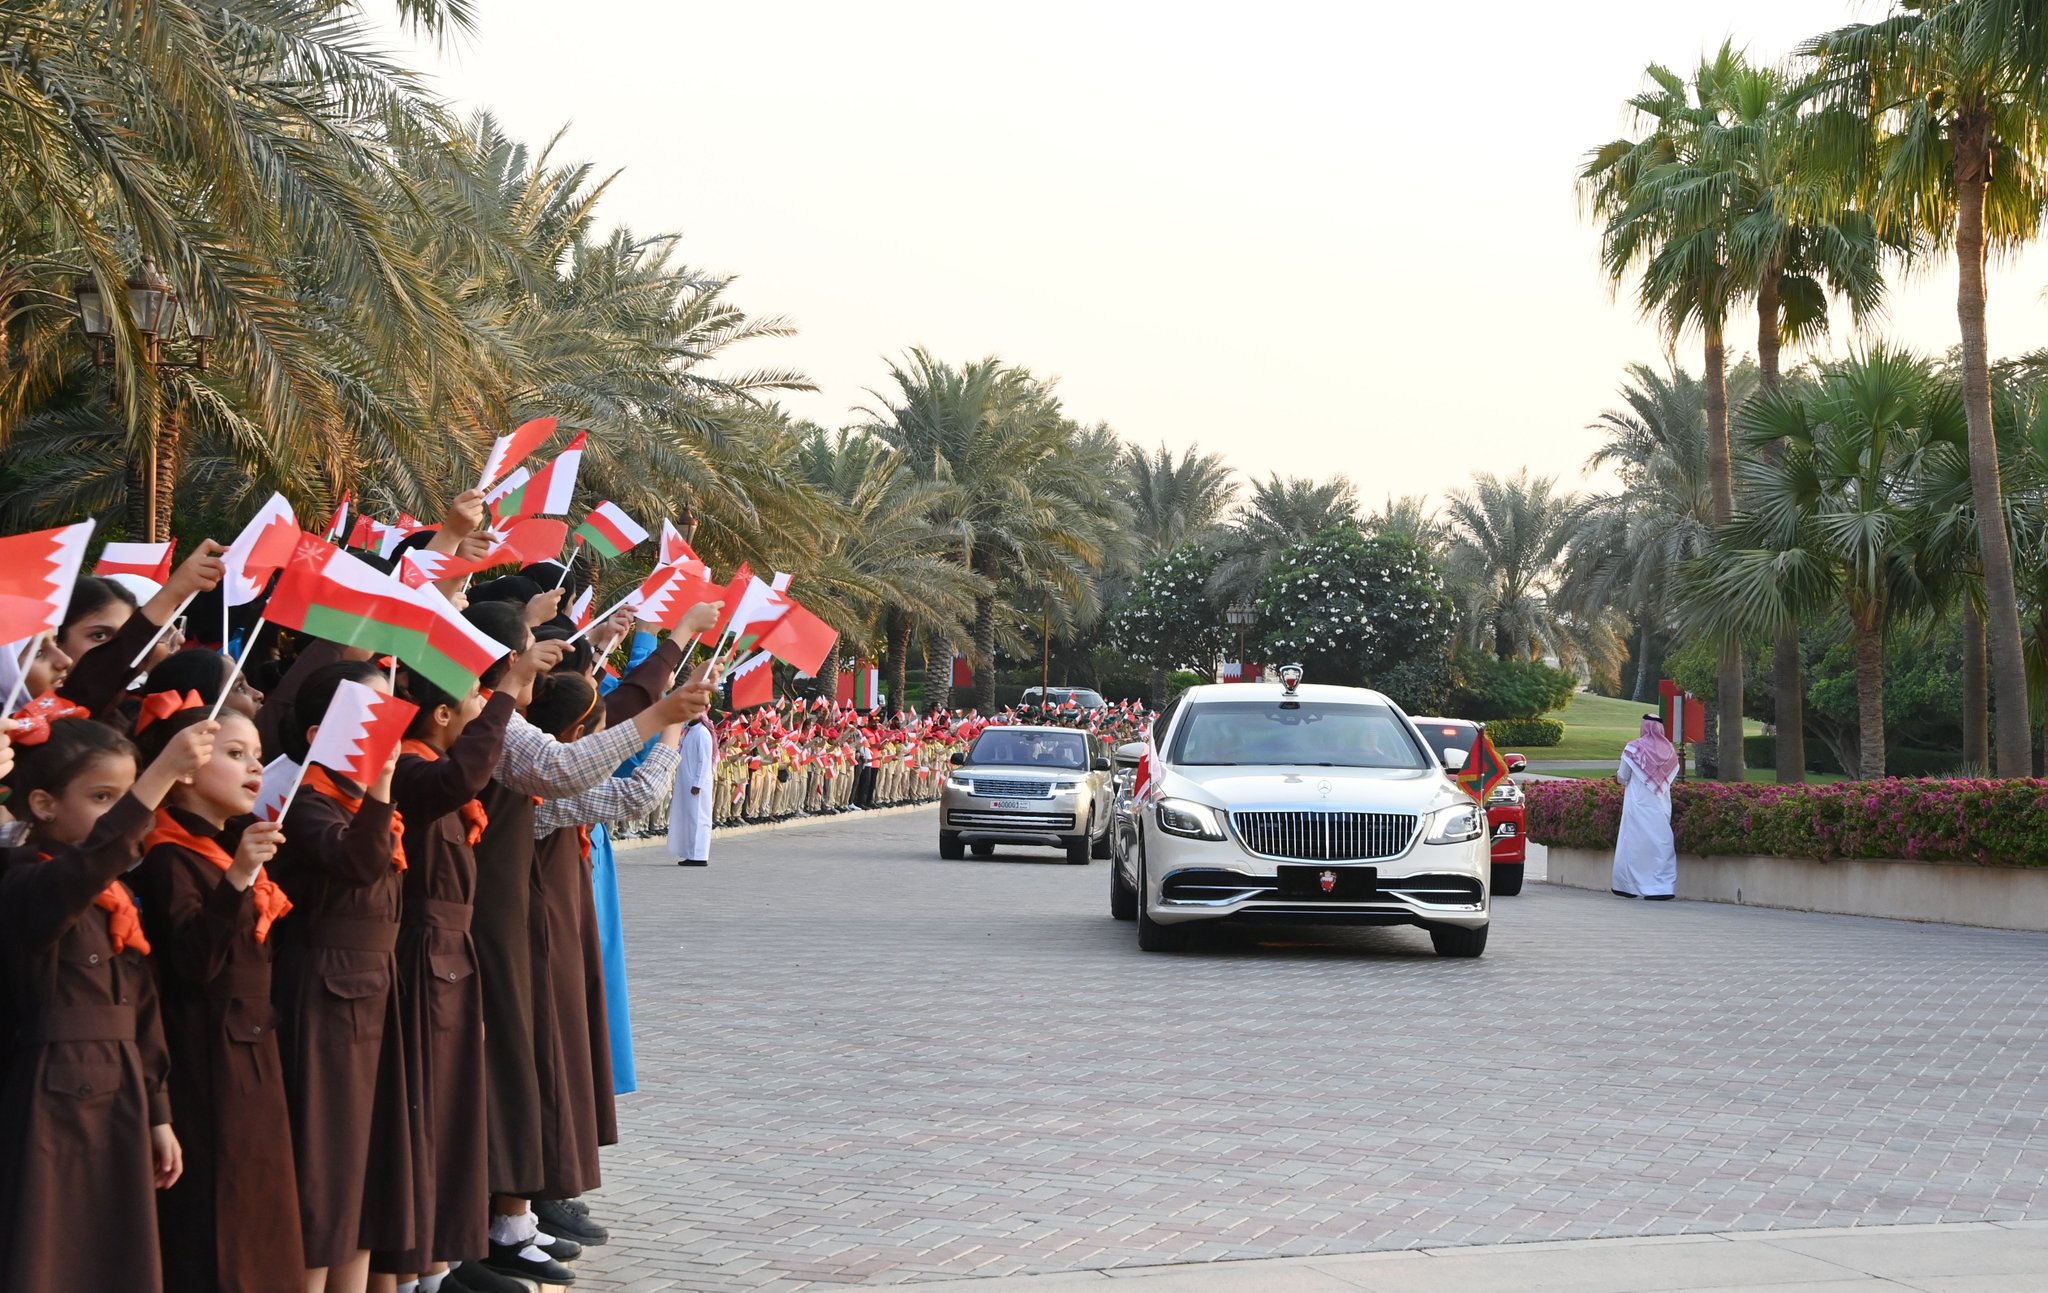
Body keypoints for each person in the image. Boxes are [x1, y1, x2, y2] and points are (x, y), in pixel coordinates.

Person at [0, 710, 219, 1293]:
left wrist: (159, 1112)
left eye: (124, 796)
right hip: (52, 1097)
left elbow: (142, 1013)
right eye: (102, 797)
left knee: (118, 1256)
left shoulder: (119, 892)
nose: (121, 815)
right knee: (51, 1254)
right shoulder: (23, 881)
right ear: (44, 804)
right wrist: (156, 782)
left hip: (122, 1089)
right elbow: (83, 869)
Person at [132, 703, 304, 1292]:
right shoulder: (167, 856)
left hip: (253, 1049)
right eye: (235, 755)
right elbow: (194, 963)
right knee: (219, 1213)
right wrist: (236, 880)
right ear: (184, 770)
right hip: (207, 1056)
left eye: (256, 755)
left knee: (262, 1209)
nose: (255, 767)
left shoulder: (227, 844)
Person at [1612, 715, 1680, 900]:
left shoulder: (1633, 747)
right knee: (1660, 842)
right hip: (1660, 804)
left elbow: (1623, 776)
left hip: (1637, 802)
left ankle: (1627, 886)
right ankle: (1661, 888)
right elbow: (1672, 775)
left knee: (1633, 841)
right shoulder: (1669, 750)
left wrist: (1617, 779)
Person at [669, 715, 716, 867]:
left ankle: (699, 855)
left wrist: (698, 783)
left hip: (696, 785)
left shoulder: (702, 733)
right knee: (689, 819)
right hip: (686, 782)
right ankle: (691, 854)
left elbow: (704, 760)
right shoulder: (690, 732)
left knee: (698, 819)